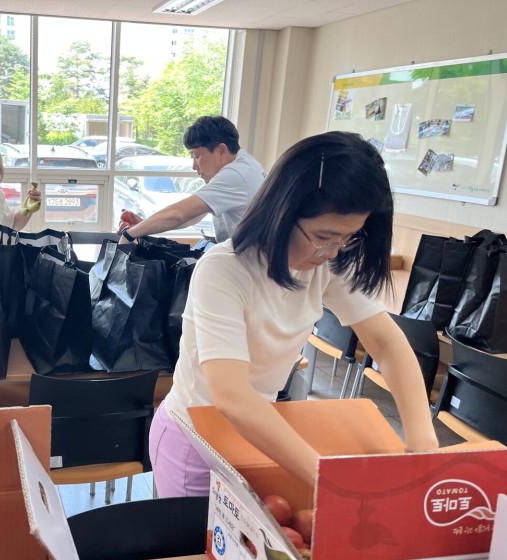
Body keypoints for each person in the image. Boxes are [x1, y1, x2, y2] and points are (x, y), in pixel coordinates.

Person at [149, 131, 439, 497]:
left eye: (347, 238)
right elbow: (232, 396)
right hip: (196, 437)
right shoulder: (225, 269)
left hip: (259, 433)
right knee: (199, 535)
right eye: (324, 236)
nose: (332, 251)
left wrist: (422, 440)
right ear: (283, 211)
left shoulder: (328, 263)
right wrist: (329, 481)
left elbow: (387, 343)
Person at [118, 115, 265, 243]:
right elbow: (193, 215)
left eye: (197, 156)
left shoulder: (235, 175)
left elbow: (179, 214)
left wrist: (129, 234)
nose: (194, 166)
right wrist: (143, 225)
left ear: (221, 150)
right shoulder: (246, 164)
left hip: (247, 260)